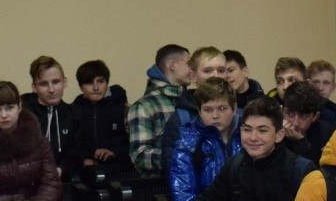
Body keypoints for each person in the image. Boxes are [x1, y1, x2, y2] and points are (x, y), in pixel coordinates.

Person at [166, 77, 241, 201]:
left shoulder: (248, 136)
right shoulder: (188, 144)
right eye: (208, 110)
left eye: (222, 108)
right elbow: (184, 194)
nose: (215, 115)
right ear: (199, 111)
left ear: (234, 108)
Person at [157, 46, 232, 174]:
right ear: (193, 76)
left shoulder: (240, 114)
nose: (215, 76)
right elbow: (177, 173)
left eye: (221, 70)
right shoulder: (181, 120)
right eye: (207, 71)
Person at [127, 44, 191, 175]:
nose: (193, 69)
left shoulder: (191, 99)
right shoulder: (144, 106)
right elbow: (139, 156)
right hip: (160, 183)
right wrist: (181, 156)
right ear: (173, 65)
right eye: (189, 64)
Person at [66, 59, 130, 173]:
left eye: (100, 82)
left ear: (107, 83)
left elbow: (137, 144)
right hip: (87, 172)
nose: (96, 87)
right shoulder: (74, 110)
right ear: (81, 87)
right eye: (89, 83)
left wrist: (115, 152)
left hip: (121, 171)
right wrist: (83, 159)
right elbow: (71, 146)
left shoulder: (124, 108)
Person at [21, 55, 75, 177]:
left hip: (60, 180)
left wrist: (60, 170)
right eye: (43, 84)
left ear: (65, 82)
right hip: (26, 179)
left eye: (56, 82)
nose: (51, 90)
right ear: (34, 87)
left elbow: (75, 155)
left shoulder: (72, 114)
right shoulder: (21, 111)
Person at [280, 81, 335, 162]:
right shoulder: (274, 133)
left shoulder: (328, 134)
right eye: (290, 114)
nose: (295, 123)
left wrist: (300, 141)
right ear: (282, 112)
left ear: (315, 116)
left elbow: (317, 167)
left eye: (304, 116)